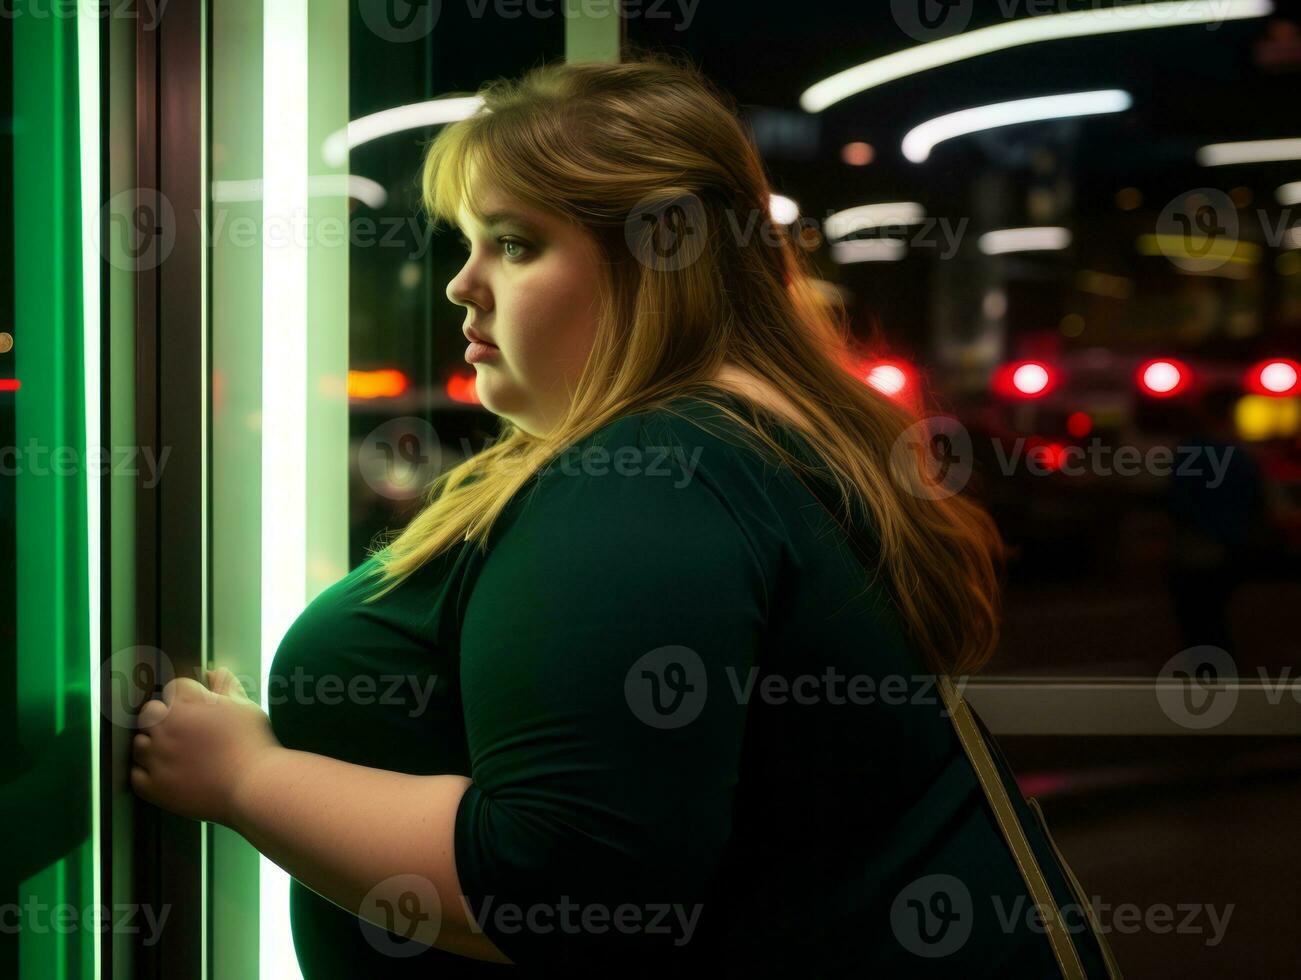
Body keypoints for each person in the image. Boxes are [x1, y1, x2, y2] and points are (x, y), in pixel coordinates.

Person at [130, 52, 1116, 978]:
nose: (461, 284)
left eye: (515, 244)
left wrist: (243, 778)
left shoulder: (656, 477)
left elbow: (558, 882)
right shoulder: (763, 440)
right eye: (469, 243)